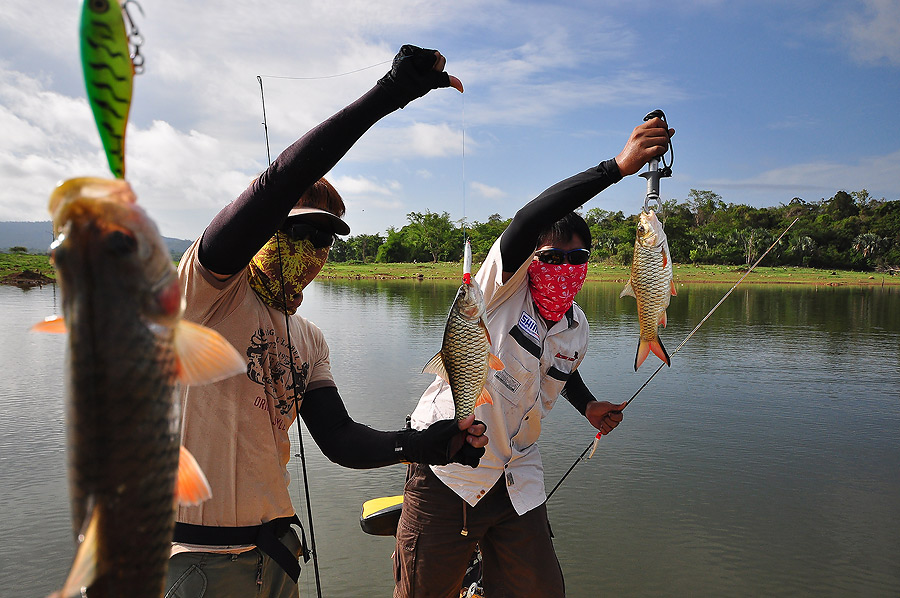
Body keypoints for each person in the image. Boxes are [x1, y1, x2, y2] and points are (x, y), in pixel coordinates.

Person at [164, 45, 488, 598]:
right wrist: (389, 95)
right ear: (267, 227)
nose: (314, 250)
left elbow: (340, 439)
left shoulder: (308, 339)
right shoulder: (204, 292)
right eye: (301, 232)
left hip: (274, 559)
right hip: (193, 563)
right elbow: (275, 187)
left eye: (325, 239)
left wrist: (426, 445)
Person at [394, 117, 674, 598]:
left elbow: (560, 371)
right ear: (531, 257)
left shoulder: (577, 328)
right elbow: (528, 218)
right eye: (552, 256)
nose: (564, 268)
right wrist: (617, 168)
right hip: (448, 470)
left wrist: (587, 405)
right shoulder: (497, 292)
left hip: (517, 475)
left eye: (577, 258)